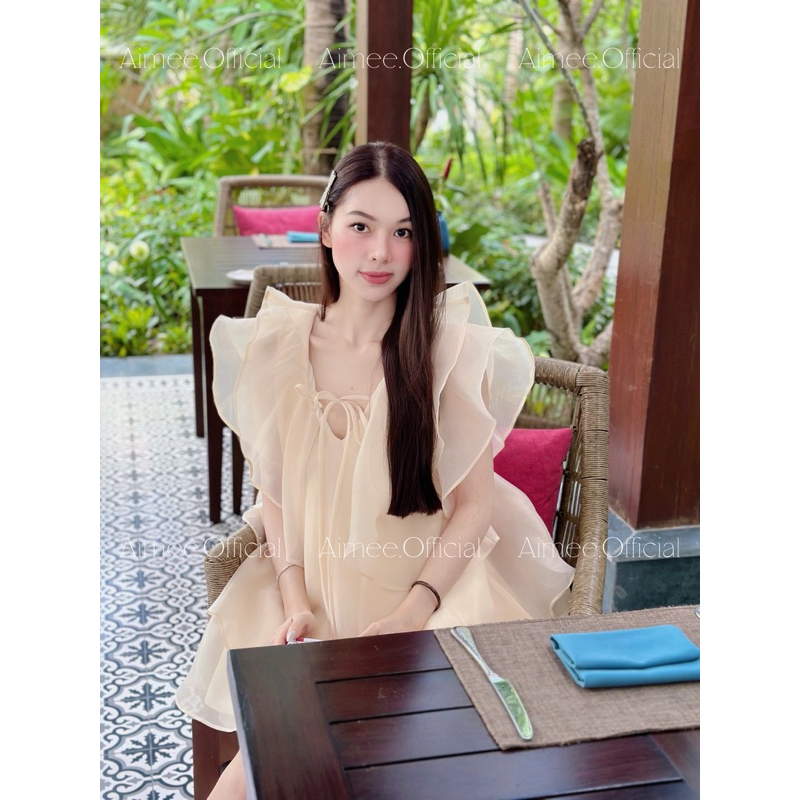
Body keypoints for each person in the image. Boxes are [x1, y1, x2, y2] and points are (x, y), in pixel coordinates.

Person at [176, 142, 574, 798]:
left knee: (396, 767)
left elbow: (473, 507)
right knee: (258, 776)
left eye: (403, 232)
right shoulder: (276, 345)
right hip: (310, 600)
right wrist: (295, 599)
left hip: (430, 600)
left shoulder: (447, 348)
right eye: (361, 226)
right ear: (326, 229)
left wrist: (412, 614)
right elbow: (275, 494)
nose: (381, 252)